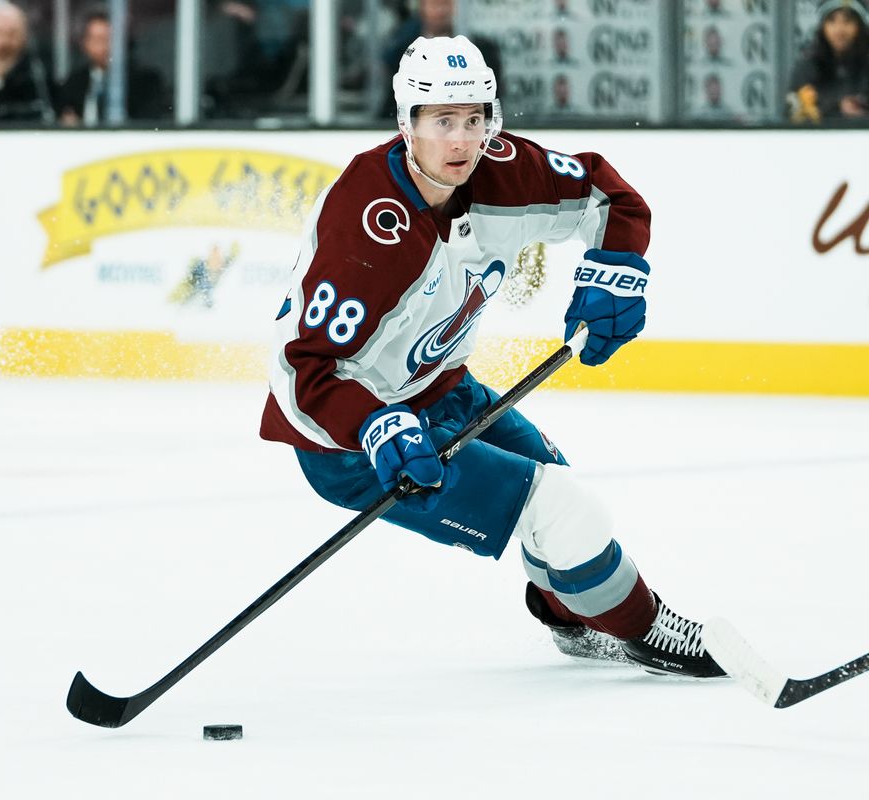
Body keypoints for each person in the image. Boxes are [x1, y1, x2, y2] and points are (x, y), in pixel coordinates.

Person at [260, 35, 726, 679]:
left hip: (445, 389)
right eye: (442, 122)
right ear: (407, 125)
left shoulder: (504, 169)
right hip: (350, 446)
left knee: (555, 487)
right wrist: (374, 425)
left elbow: (611, 197)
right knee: (563, 510)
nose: (461, 141)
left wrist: (616, 269)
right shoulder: (367, 228)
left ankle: (566, 613)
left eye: (475, 120)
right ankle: (651, 632)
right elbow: (300, 370)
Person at [380, 0, 503, 116]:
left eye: (446, 3)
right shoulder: (402, 52)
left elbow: (491, 101)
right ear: (422, 7)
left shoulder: (482, 50)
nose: (441, 11)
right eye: (435, 4)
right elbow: (391, 104)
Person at [57, 9, 169, 126]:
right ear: (84, 44)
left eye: (111, 39)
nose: (107, 47)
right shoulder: (74, 83)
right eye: (98, 40)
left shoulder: (146, 81)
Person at [787, 0, 869, 123]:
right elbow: (792, 114)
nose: (839, 30)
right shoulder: (807, 67)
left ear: (860, 25)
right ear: (822, 26)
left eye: (848, 21)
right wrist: (837, 108)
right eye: (831, 21)